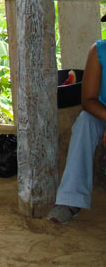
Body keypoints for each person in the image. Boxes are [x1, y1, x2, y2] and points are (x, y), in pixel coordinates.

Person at [47, 12, 106, 224]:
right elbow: (89, 99)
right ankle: (71, 199)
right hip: (102, 114)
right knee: (84, 123)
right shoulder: (99, 51)